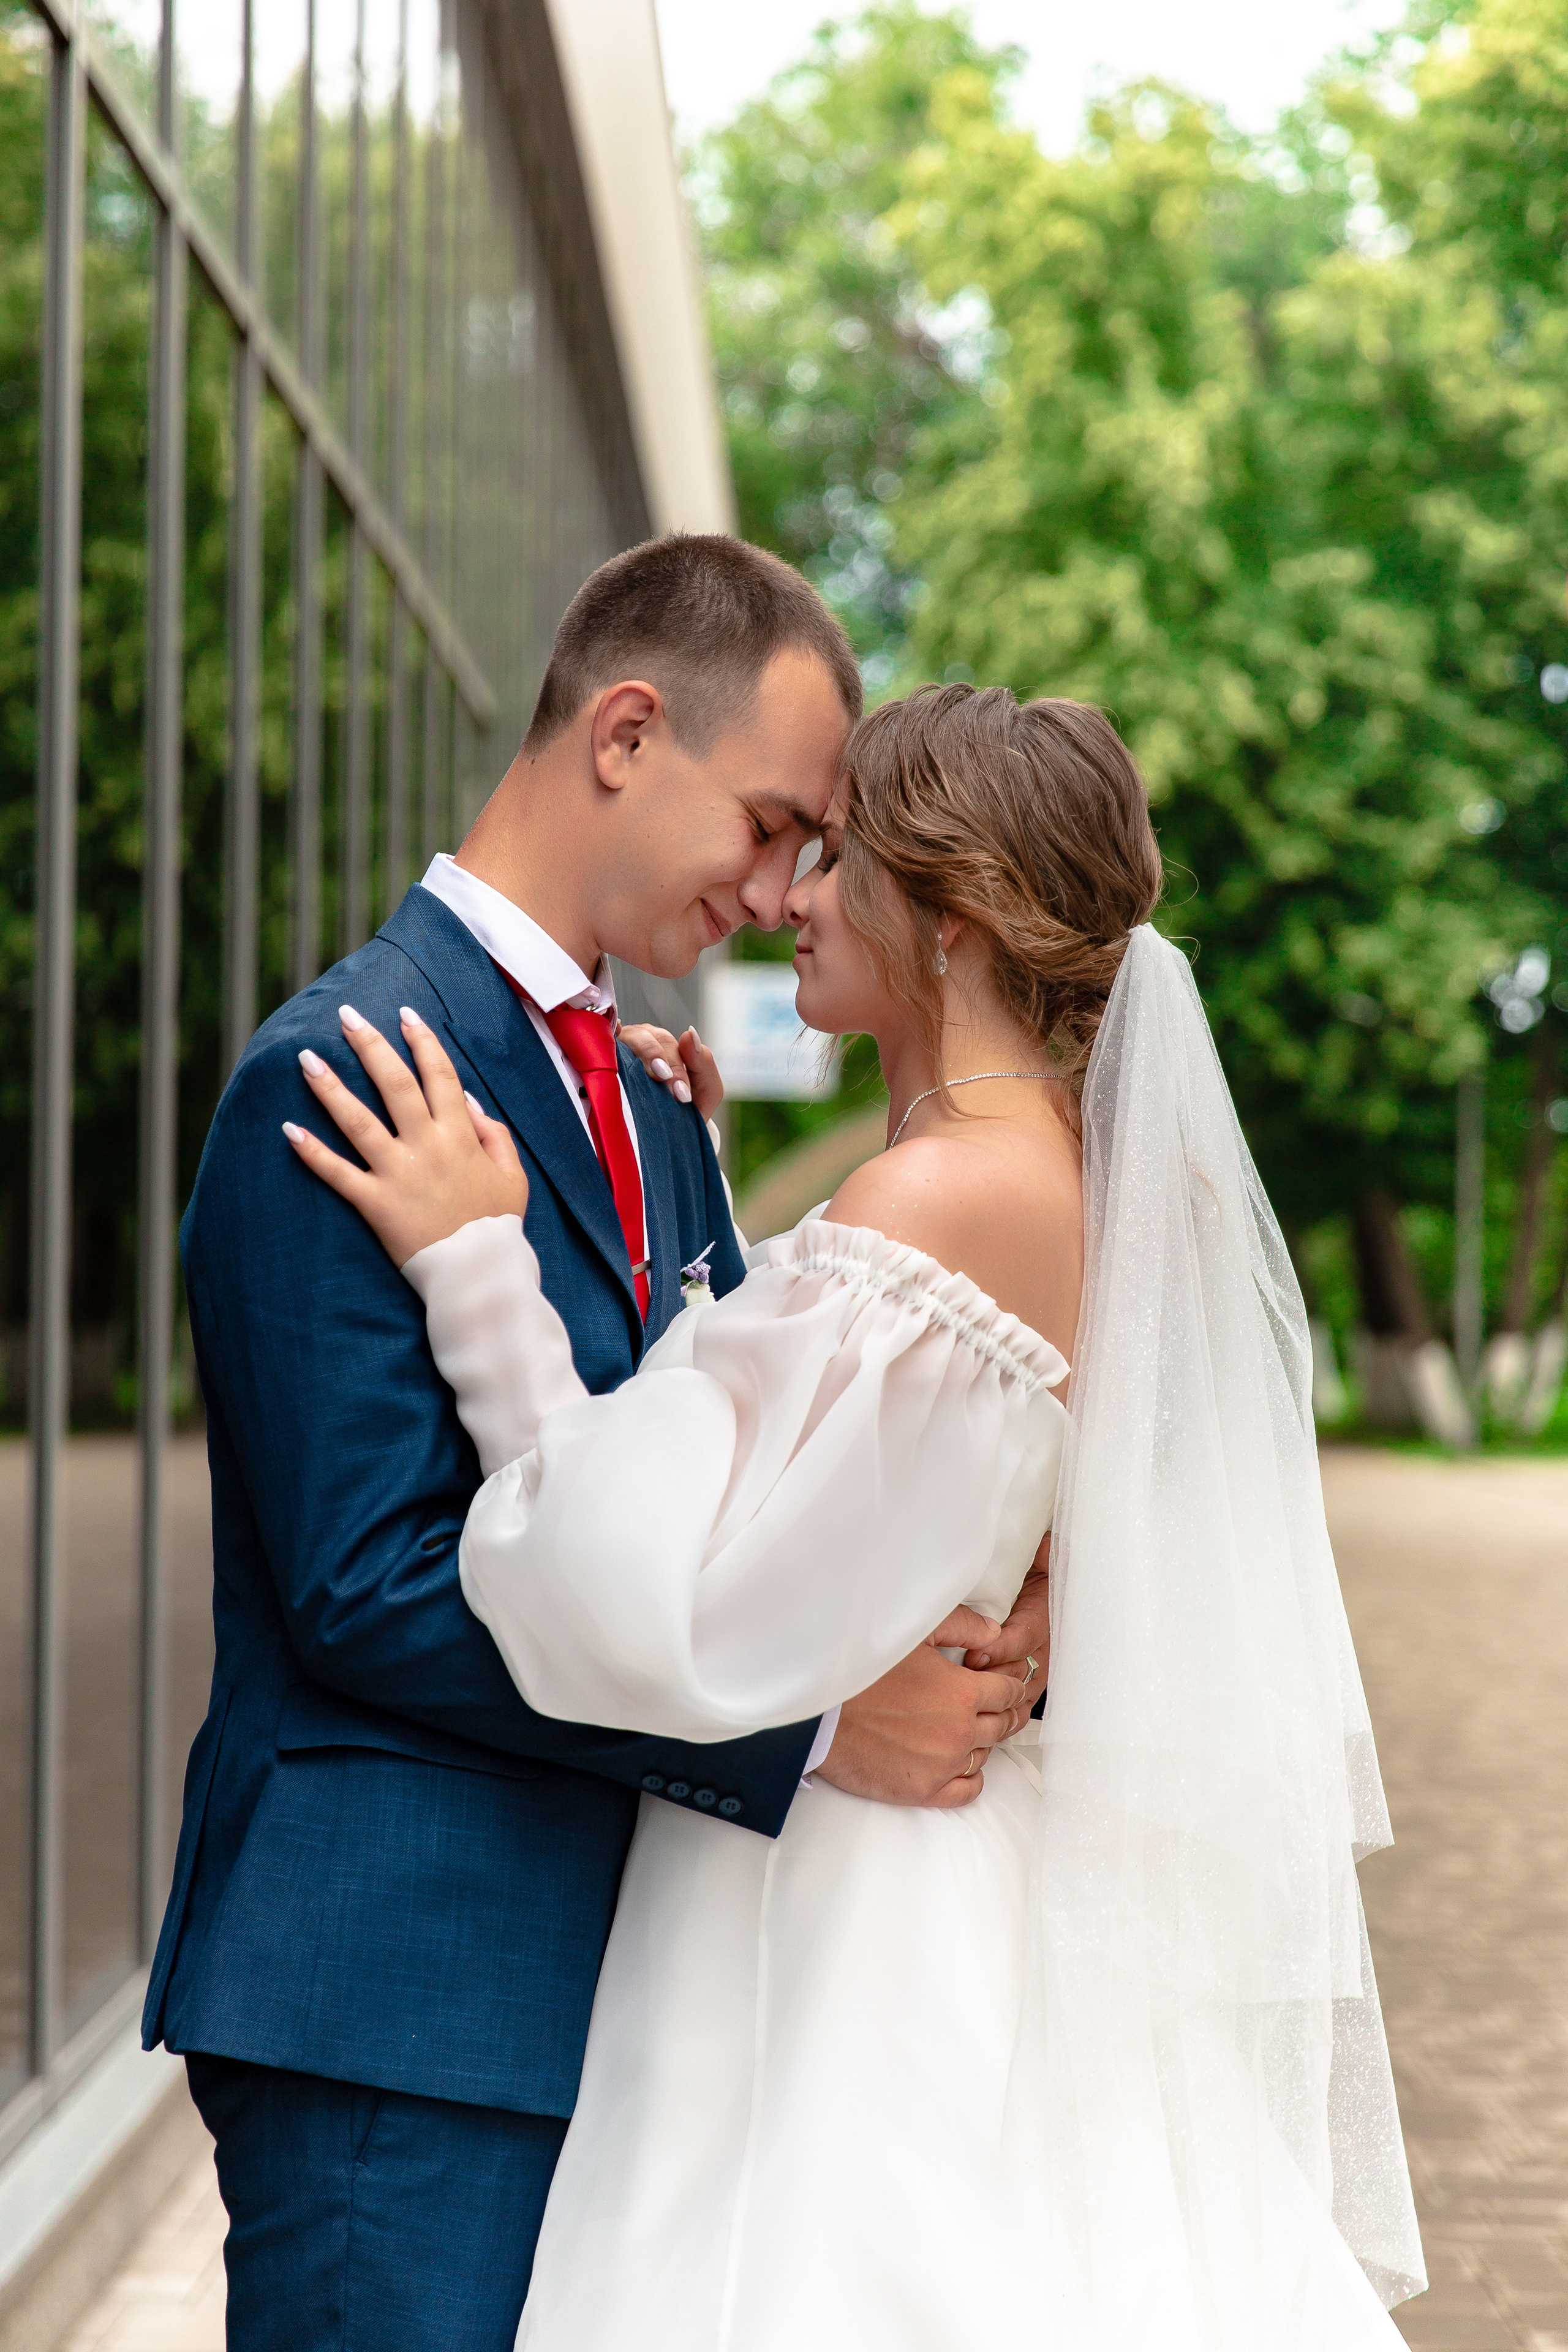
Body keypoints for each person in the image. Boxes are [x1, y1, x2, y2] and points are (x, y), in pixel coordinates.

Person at [290, 682, 1427, 2350]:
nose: (790, 900)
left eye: (834, 860)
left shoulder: (934, 1197)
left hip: (831, 1926)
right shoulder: (1082, 1173)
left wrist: (478, 1271)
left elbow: (619, 1579)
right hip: (980, 1881)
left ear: (948, 922)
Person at [144, 539, 1042, 2352]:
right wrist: (806, 1727)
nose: (787, 886)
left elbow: (696, 1495)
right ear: (629, 733)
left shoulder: (647, 1095)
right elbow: (369, 1584)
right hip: (403, 1994)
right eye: (776, 822)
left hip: (625, 1992)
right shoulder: (342, 1071)